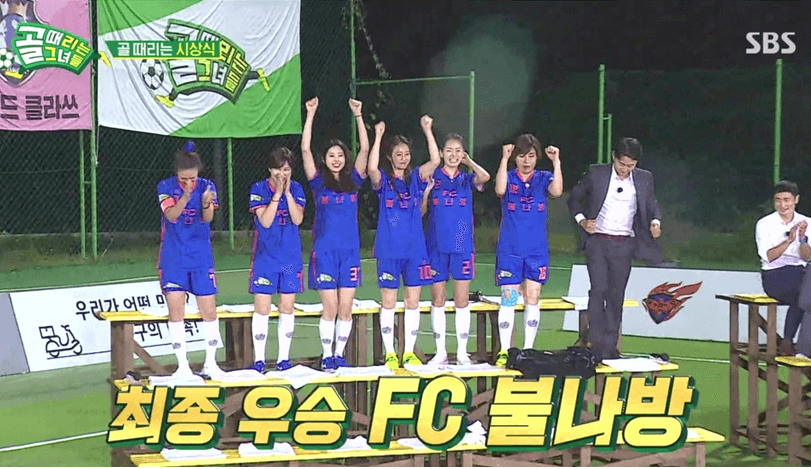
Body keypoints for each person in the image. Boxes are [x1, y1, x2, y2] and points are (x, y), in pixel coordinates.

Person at [567, 137, 663, 361]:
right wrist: (582, 221)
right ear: (614, 157)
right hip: (598, 241)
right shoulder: (596, 173)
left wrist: (655, 221)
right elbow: (574, 199)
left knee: (616, 294)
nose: (625, 169)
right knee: (598, 289)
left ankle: (610, 348)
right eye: (622, 164)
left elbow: (651, 203)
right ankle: (595, 345)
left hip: (624, 243)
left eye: (631, 165)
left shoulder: (644, 178)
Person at [301, 96, 369, 372]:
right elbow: (305, 149)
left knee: (346, 308)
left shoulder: (354, 181)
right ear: (325, 160)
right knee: (330, 307)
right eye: (331, 156)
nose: (336, 159)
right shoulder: (318, 183)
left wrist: (358, 115)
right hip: (325, 253)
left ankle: (339, 354)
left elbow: (365, 148)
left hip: (349, 253)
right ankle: (327, 355)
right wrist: (310, 115)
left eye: (340, 155)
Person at [368, 116, 441, 369]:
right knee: (388, 302)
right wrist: (378, 136)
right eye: (398, 154)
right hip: (389, 249)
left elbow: (435, 161)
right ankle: (390, 353)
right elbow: (371, 169)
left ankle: (408, 352)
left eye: (407, 154)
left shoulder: (416, 179)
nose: (403, 158)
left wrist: (427, 130)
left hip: (415, 250)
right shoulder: (384, 181)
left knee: (412, 301)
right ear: (390, 157)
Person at [156, 141, 224, 379]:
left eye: (192, 178)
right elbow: (171, 215)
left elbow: (208, 218)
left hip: (201, 257)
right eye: (184, 179)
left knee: (209, 310)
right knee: (176, 311)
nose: (189, 183)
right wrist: (186, 196)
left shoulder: (207, 186)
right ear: (177, 173)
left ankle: (210, 363)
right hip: (174, 257)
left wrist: (206, 203)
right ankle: (182, 366)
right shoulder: (165, 186)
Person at [494, 135, 562, 366]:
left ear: (537, 157)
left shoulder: (543, 177)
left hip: (536, 251)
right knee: (509, 299)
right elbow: (499, 188)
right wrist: (504, 159)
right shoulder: (509, 176)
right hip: (510, 250)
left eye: (531, 156)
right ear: (515, 157)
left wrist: (556, 162)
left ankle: (528, 350)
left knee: (533, 297)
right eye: (522, 156)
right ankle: (505, 350)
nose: (526, 161)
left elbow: (557, 191)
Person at [423, 134, 491, 365]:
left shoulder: (466, 178)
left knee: (462, 299)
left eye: (458, 151)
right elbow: (421, 209)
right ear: (441, 153)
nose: (453, 155)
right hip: (436, 246)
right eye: (449, 150)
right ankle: (440, 352)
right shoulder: (433, 176)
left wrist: (468, 162)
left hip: (462, 246)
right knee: (438, 298)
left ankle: (462, 352)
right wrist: (427, 191)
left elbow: (485, 177)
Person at [248, 148, 306, 373]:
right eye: (279, 170)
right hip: (265, 257)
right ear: (270, 169)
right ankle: (259, 360)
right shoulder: (258, 189)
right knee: (262, 308)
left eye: (287, 170)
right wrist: (276, 195)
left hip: (290, 257)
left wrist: (288, 194)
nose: (283, 174)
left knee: (287, 306)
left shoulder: (297, 189)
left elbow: (298, 219)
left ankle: (283, 359)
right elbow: (265, 221)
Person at [755, 180, 810, 355]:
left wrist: (802, 239)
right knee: (803, 295)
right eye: (778, 200)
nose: (782, 205)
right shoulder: (765, 224)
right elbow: (769, 256)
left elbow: (807, 257)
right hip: (775, 274)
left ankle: (799, 345)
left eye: (787, 200)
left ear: (796, 200)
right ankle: (788, 341)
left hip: (800, 272)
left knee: (806, 293)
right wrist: (788, 241)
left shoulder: (807, 222)